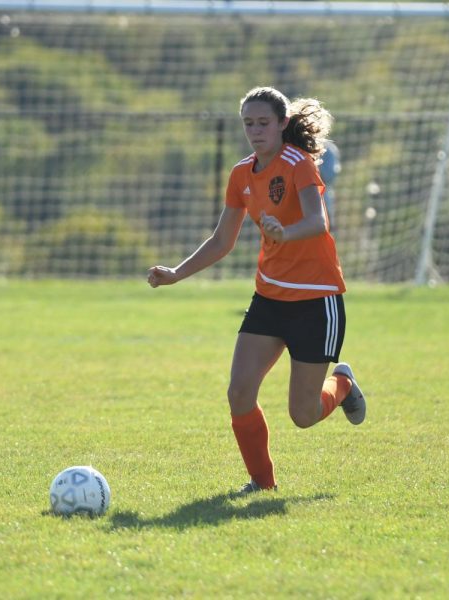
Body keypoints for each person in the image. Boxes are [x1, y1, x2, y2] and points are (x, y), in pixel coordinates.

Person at [147, 86, 365, 495]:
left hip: (316, 301)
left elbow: (318, 222)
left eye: (264, 122)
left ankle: (344, 385)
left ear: (283, 124)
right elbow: (221, 241)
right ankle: (262, 484)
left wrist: (286, 231)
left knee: (302, 415)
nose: (255, 130)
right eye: (248, 123)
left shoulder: (299, 164)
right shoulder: (240, 174)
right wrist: (176, 273)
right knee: (239, 392)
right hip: (269, 300)